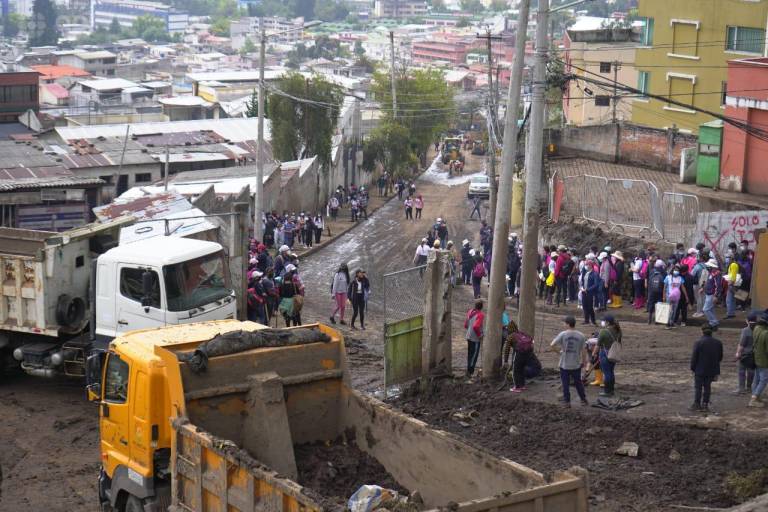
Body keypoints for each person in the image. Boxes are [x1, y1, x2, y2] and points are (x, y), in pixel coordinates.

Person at [550, 316, 589, 407]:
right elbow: (584, 351)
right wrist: (584, 362)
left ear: (567, 324)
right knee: (578, 383)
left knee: (565, 383)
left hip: (564, 364)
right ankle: (583, 400)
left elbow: (552, 345)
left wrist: (559, 352)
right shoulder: (581, 335)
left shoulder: (563, 334)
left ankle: (567, 402)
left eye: (565, 323)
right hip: (575, 364)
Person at [689, 324, 723, 412]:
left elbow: (694, 357)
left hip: (700, 369)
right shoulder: (718, 343)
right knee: (707, 387)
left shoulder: (698, 342)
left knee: (698, 387)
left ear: (702, 331)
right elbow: (720, 357)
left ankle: (697, 404)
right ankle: (705, 404)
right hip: (712, 369)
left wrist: (692, 368)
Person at [503, 319, 535, 392]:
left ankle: (517, 387)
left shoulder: (510, 336)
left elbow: (507, 350)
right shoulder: (521, 333)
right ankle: (522, 385)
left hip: (519, 353)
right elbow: (531, 340)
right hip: (528, 353)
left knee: (516, 370)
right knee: (522, 369)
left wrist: (505, 361)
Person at [595, 315, 621, 397]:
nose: (603, 322)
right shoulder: (618, 331)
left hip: (605, 354)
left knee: (607, 373)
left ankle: (607, 391)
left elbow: (597, 345)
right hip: (614, 353)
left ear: (608, 322)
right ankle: (611, 389)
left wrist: (593, 354)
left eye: (604, 321)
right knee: (611, 371)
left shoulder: (603, 332)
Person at [734, 313, 757, 395]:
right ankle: (749, 388)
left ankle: (741, 388)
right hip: (755, 354)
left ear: (747, 320)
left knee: (741, 371)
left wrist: (738, 353)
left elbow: (742, 344)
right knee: (751, 371)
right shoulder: (759, 329)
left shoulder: (745, 330)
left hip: (745, 354)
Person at [749, 312, 768, 408]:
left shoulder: (756, 328)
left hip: (756, 357)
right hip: (764, 360)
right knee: (764, 379)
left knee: (756, 379)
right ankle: (754, 397)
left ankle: (756, 396)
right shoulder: (766, 333)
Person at [663, 264, 688, 329]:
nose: (676, 271)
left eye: (677, 270)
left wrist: (686, 296)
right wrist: (664, 296)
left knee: (674, 310)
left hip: (676, 297)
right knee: (669, 310)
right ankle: (667, 323)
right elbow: (665, 287)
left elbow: (683, 288)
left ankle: (672, 323)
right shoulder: (668, 277)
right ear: (672, 270)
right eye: (675, 270)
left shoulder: (680, 278)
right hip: (669, 296)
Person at [464, 299, 485, 378]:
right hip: (475, 338)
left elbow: (466, 324)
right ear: (481, 307)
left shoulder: (470, 312)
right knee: (474, 355)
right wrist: (480, 335)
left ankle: (468, 370)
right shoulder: (480, 315)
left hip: (468, 336)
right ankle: (470, 372)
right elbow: (476, 326)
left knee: (470, 354)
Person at [702, 258, 722, 328]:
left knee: (706, 309)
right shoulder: (712, 273)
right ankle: (714, 323)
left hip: (712, 295)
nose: (708, 267)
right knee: (710, 309)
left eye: (710, 266)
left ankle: (713, 322)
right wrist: (703, 288)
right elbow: (708, 283)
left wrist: (715, 296)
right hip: (708, 294)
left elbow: (718, 286)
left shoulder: (717, 274)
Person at [646, 259, 666, 324]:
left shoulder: (652, 271)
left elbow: (649, 279)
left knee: (651, 303)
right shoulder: (663, 272)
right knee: (659, 304)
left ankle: (649, 319)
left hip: (652, 290)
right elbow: (665, 282)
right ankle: (657, 320)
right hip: (660, 291)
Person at [582, 259, 599, 326]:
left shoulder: (595, 274)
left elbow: (596, 284)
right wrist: (582, 287)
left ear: (590, 265)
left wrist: (588, 289)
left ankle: (593, 320)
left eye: (587, 264)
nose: (586, 266)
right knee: (584, 306)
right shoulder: (586, 272)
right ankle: (586, 320)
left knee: (590, 307)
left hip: (590, 292)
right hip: (584, 291)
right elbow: (583, 281)